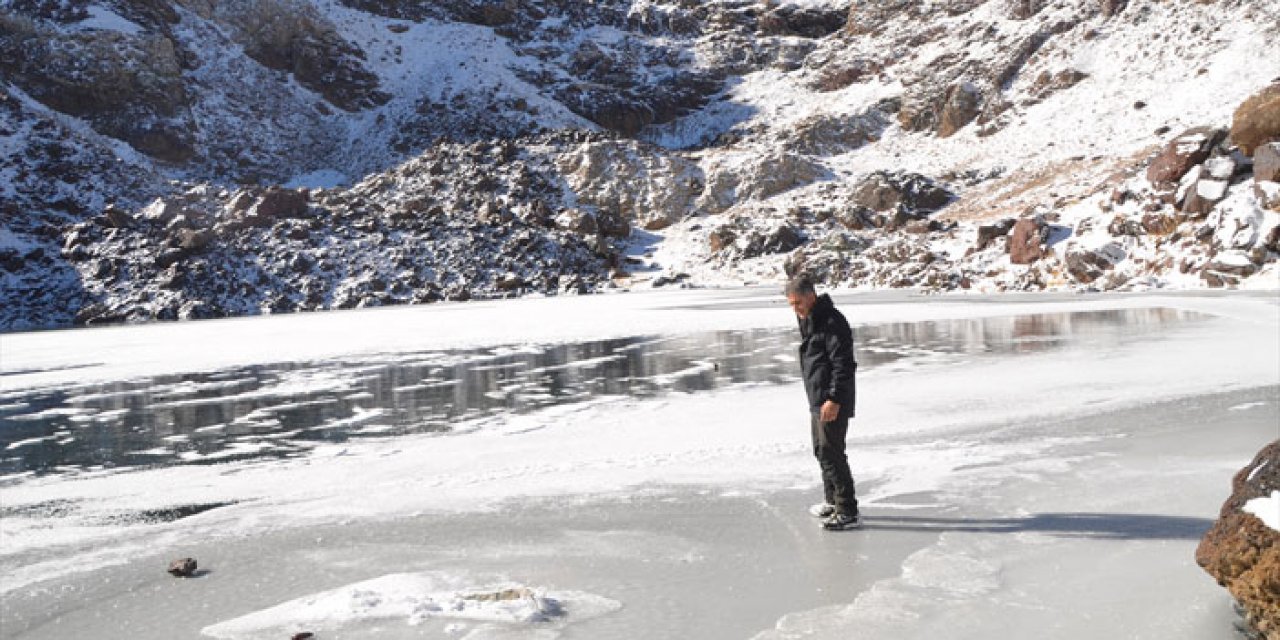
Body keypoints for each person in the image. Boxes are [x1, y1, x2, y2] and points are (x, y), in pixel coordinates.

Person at [785, 273, 860, 530]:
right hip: (818, 397)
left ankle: (847, 509)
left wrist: (834, 399)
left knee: (832, 451)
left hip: (832, 399)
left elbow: (844, 364)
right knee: (820, 450)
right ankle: (832, 501)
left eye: (798, 303)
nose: (795, 309)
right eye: (791, 305)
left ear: (811, 296)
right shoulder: (811, 318)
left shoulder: (832, 321)